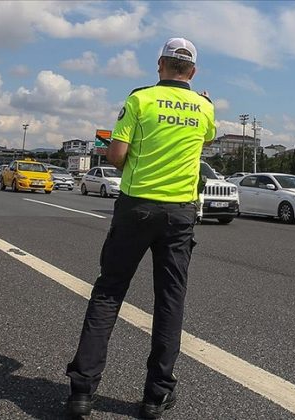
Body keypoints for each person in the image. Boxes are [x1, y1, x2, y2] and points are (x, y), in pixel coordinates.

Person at [66, 37, 216, 419]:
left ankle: (83, 391)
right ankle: (156, 396)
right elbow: (207, 138)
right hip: (180, 213)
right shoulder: (204, 108)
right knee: (169, 301)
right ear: (193, 72)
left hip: (136, 208)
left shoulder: (139, 99)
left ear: (160, 65)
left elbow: (116, 155)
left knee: (109, 291)